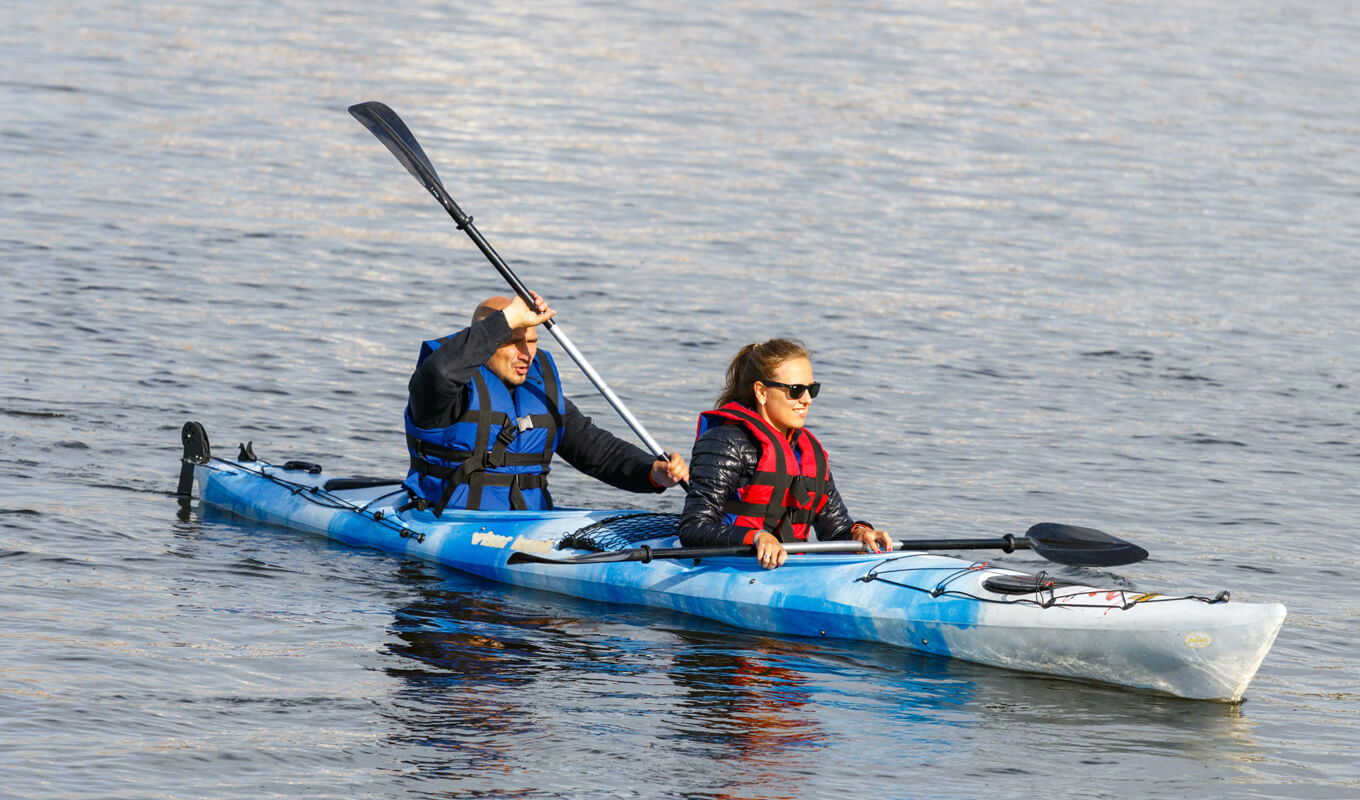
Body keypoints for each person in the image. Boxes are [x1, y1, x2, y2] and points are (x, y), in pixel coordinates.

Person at [402, 291, 688, 514]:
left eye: (532, 341)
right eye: (513, 340)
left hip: (528, 524)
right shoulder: (440, 396)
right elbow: (440, 371)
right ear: (485, 342)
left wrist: (653, 473)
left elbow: (600, 453)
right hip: (450, 521)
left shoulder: (540, 396)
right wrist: (505, 320)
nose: (526, 353)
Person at [679, 338, 892, 569]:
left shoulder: (808, 452)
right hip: (728, 564)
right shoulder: (725, 442)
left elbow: (834, 529)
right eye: (796, 390)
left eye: (812, 389)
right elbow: (694, 528)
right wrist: (756, 537)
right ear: (761, 392)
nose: (807, 399)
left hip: (788, 568)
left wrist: (858, 534)